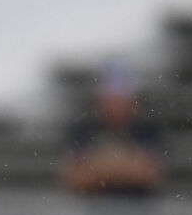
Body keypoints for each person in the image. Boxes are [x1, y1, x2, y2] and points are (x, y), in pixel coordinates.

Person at [63, 60, 164, 198]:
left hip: (138, 211)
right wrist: (127, 167)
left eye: (120, 99)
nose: (116, 106)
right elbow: (74, 178)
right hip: (91, 211)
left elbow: (151, 175)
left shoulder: (147, 129)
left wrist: (99, 168)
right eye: (111, 99)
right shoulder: (82, 130)